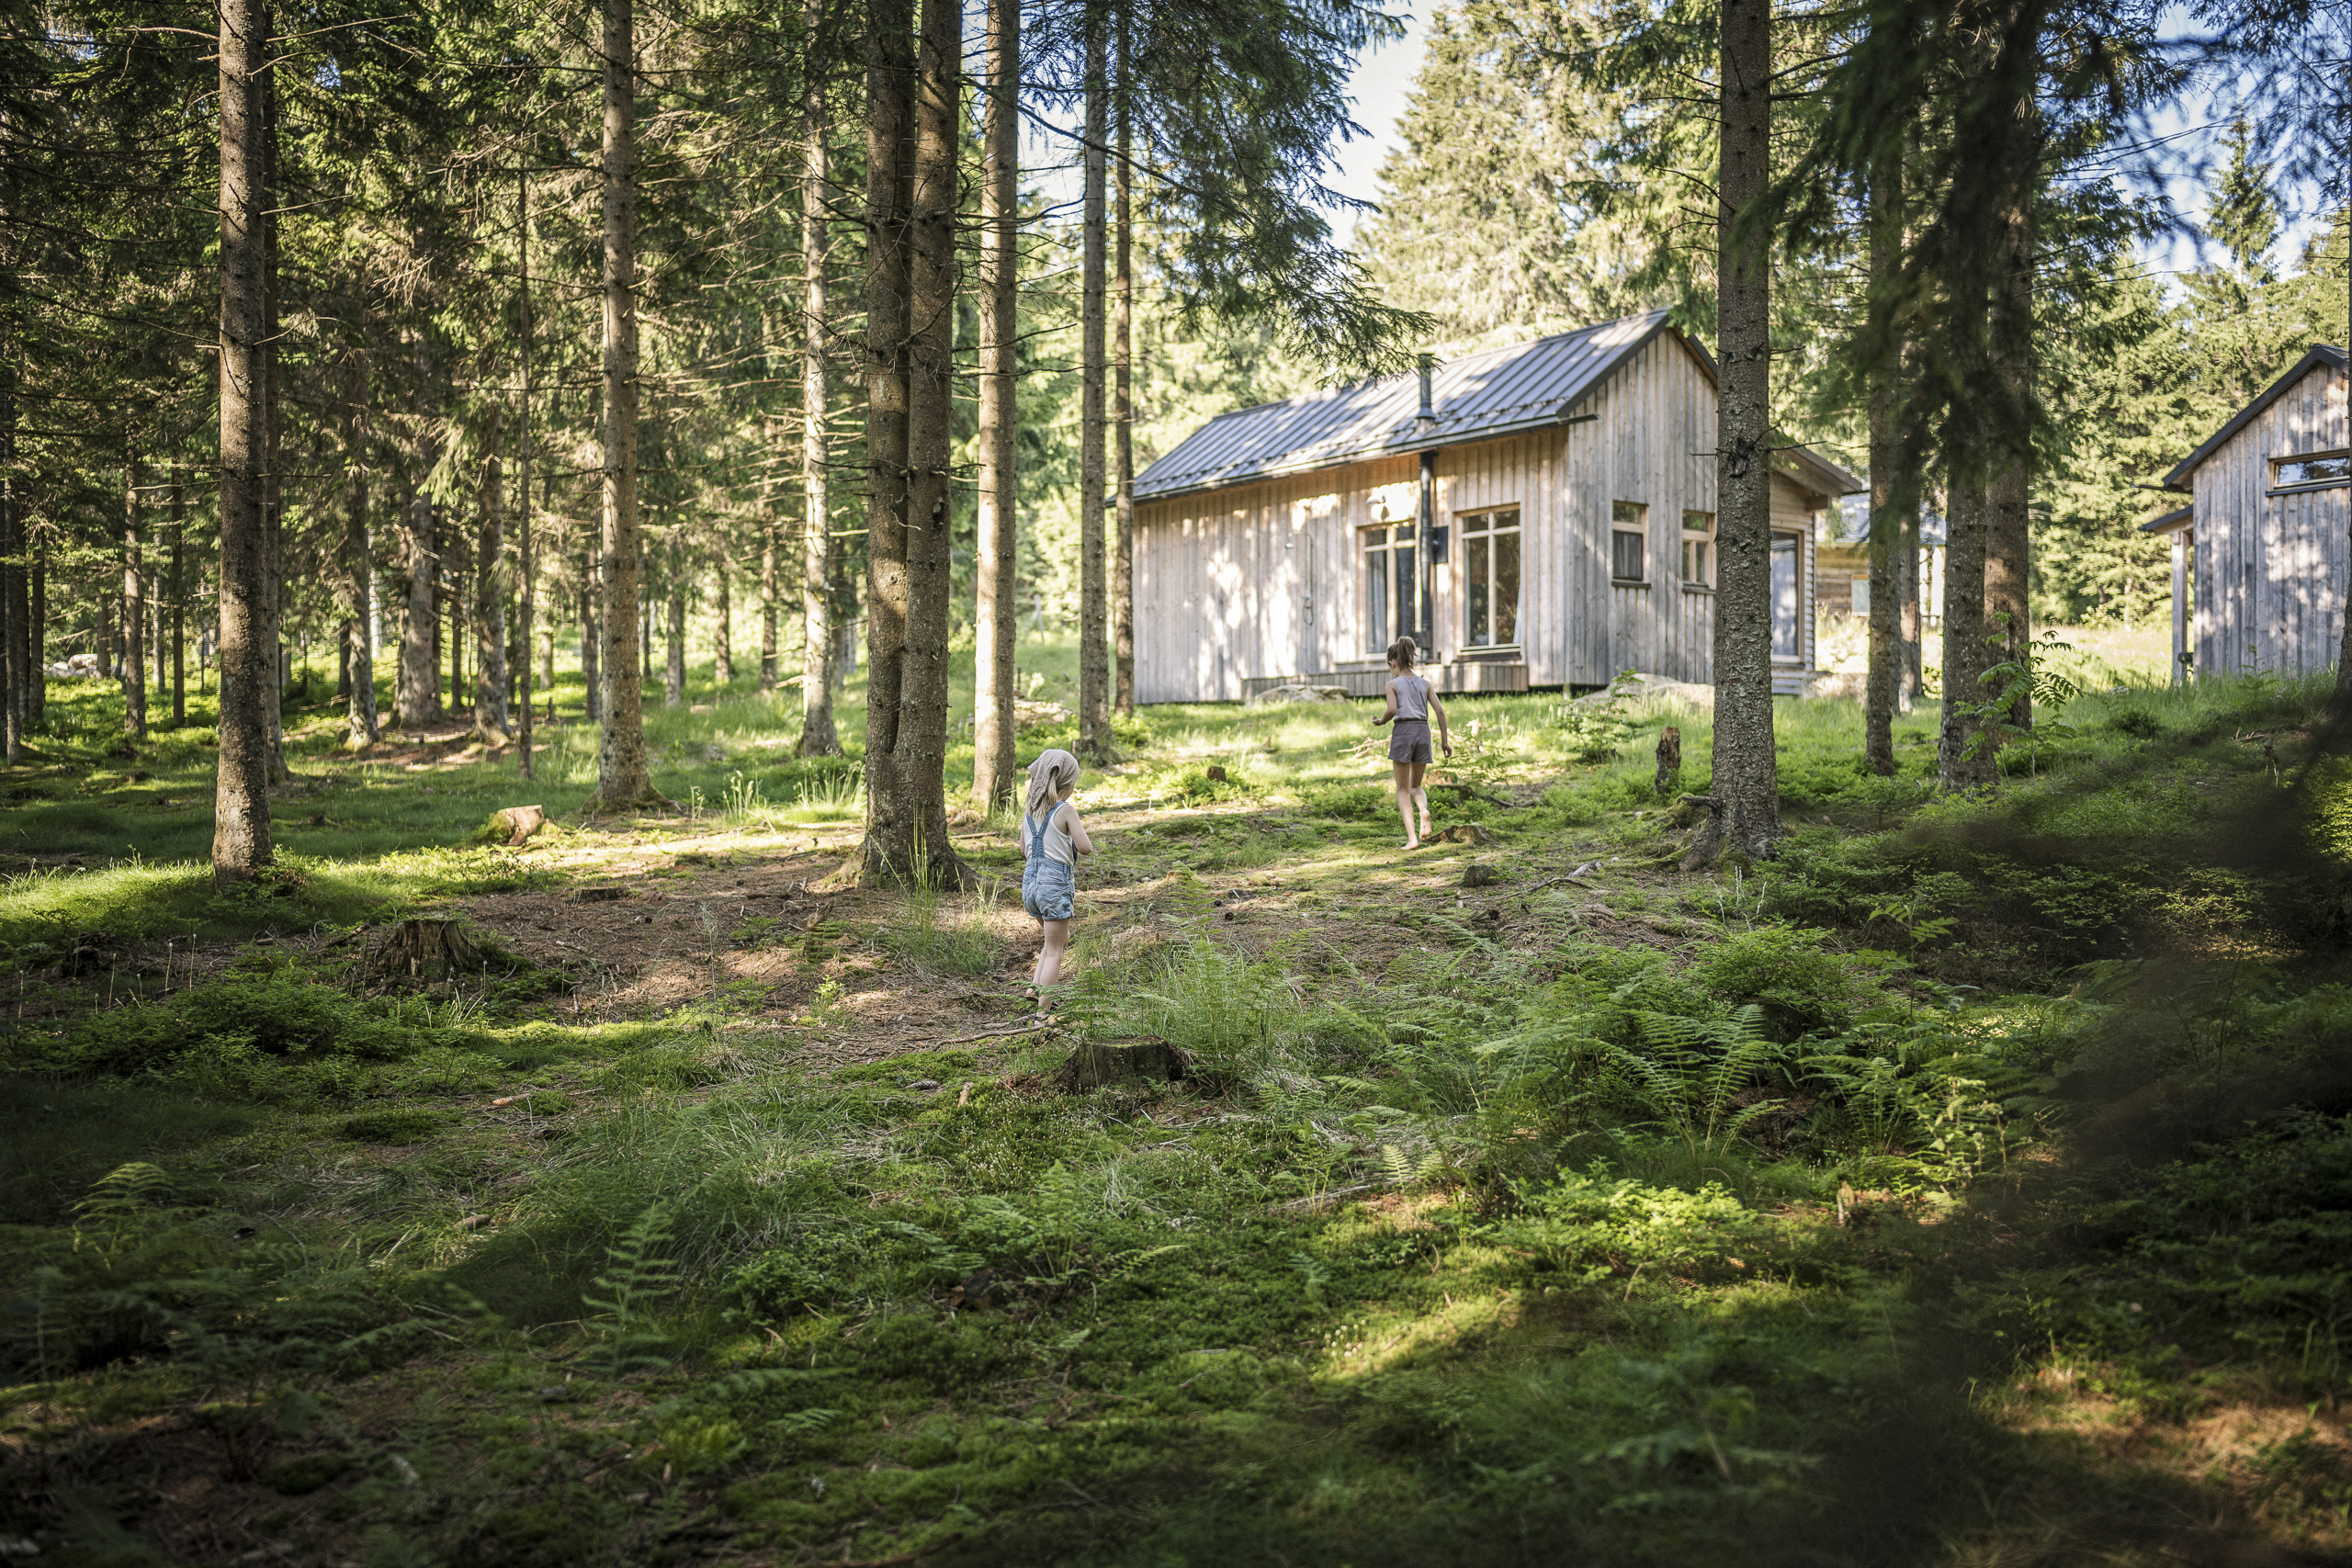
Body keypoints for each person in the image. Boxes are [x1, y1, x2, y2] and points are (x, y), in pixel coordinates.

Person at [1018, 748, 1094, 1000]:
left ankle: (1034, 989)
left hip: (1030, 885)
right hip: (1053, 884)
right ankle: (1042, 1015)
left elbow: (1023, 850)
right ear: (1068, 784)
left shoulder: (1029, 811)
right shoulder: (1065, 810)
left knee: (1054, 941)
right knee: (1054, 950)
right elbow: (1085, 848)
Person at [1371, 636, 1450, 850]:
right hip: (1423, 732)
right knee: (1416, 785)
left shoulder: (1392, 685)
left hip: (1404, 732)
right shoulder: (1425, 684)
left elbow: (1392, 710)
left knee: (1402, 789)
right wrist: (1444, 742)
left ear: (1392, 663)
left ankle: (1412, 839)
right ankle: (1423, 810)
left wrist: (1381, 722)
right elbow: (1440, 711)